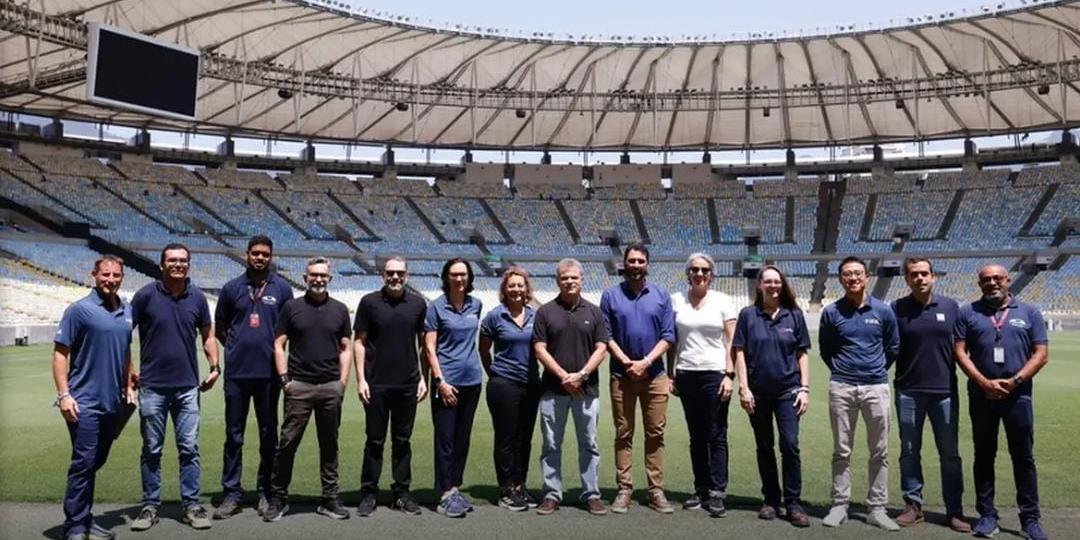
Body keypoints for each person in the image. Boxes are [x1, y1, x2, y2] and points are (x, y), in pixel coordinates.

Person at [954, 264, 1049, 540]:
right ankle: (986, 515)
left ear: (1008, 280)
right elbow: (960, 352)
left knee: (1024, 457)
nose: (992, 282)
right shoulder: (967, 312)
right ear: (979, 283)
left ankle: (1030, 519)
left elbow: (1041, 353)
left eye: (997, 278)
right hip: (981, 396)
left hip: (1018, 396)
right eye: (986, 279)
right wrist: (984, 382)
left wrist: (1015, 381)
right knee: (983, 456)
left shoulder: (1030, 312)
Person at [129, 243, 218, 532]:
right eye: (172, 260)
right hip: (152, 387)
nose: (177, 265)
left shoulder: (198, 299)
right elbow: (122, 336)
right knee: (152, 449)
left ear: (188, 265)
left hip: (187, 388)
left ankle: (191, 505)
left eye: (182, 261)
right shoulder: (144, 296)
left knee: (189, 449)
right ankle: (150, 506)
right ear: (161, 265)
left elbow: (207, 335)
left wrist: (215, 366)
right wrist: (130, 372)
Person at [263, 257, 352, 522]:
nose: (318, 279)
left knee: (330, 445)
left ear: (330, 279)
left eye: (323, 275)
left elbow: (346, 348)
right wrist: (284, 379)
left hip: (330, 387)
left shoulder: (340, 309)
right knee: (287, 444)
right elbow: (278, 344)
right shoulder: (292, 307)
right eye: (313, 275)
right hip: (299, 386)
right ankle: (278, 498)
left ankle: (330, 499)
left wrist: (342, 383)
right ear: (305, 278)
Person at [53, 255, 134, 540]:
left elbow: (125, 350)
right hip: (83, 402)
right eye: (105, 275)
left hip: (114, 402)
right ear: (94, 275)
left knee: (95, 461)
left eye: (116, 275)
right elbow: (60, 354)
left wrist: (129, 382)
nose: (110, 280)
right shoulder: (79, 310)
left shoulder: (127, 309)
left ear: (122, 277)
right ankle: (74, 526)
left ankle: (85, 519)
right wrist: (64, 395)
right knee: (84, 462)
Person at [212, 235, 294, 519]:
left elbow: (286, 330)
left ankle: (266, 491)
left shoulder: (282, 289)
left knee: (268, 434)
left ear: (270, 257)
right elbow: (220, 327)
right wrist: (236, 348)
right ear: (247, 254)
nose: (260, 258)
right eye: (255, 253)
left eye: (265, 254)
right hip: (237, 374)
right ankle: (232, 494)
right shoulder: (231, 288)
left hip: (269, 375)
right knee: (233, 435)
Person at [819, 256, 900, 531]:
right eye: (847, 275)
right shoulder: (831, 312)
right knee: (842, 450)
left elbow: (893, 347)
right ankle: (840, 504)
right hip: (841, 387)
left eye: (857, 273)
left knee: (880, 450)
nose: (852, 278)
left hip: (876, 386)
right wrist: (846, 371)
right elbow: (825, 350)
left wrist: (874, 371)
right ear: (840, 279)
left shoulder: (883, 311)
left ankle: (877, 508)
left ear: (866, 277)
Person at [890, 258, 969, 532]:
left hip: (944, 392)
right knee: (909, 450)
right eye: (914, 275)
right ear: (907, 279)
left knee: (950, 453)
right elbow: (890, 347)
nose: (920, 278)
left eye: (924, 273)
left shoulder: (950, 307)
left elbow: (962, 347)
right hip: (908, 391)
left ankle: (954, 510)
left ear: (933, 276)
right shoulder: (897, 308)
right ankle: (914, 505)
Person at [732, 265, 811, 528]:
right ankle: (770, 500)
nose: (773, 285)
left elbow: (802, 354)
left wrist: (805, 388)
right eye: (768, 281)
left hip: (788, 392)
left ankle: (793, 503)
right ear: (760, 286)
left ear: (782, 284)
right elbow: (740, 352)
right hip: (758, 394)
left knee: (790, 445)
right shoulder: (747, 315)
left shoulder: (794, 315)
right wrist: (743, 387)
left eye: (777, 281)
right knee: (764, 447)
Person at [601, 243, 676, 514]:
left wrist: (645, 362)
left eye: (640, 261)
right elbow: (606, 336)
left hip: (654, 375)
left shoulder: (661, 295)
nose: (635, 265)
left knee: (655, 433)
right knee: (624, 433)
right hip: (622, 375)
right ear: (624, 264)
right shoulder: (610, 296)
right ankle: (624, 489)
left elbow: (669, 336)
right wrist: (626, 362)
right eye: (631, 261)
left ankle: (655, 490)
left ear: (647, 264)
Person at [533, 258, 610, 517]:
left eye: (574, 277)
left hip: (587, 391)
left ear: (582, 280)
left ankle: (591, 494)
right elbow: (539, 348)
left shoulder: (594, 312)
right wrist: (564, 375)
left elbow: (602, 348)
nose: (569, 282)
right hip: (553, 390)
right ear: (557, 281)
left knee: (589, 443)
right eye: (564, 278)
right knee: (551, 444)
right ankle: (552, 494)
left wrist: (582, 374)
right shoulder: (545, 312)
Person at [353, 256, 428, 517]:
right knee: (374, 440)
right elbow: (359, 342)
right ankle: (369, 493)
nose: (395, 277)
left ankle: (402, 493)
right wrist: (361, 379)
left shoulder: (418, 304)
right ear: (382, 275)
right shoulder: (369, 302)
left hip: (407, 384)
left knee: (402, 441)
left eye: (400, 273)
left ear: (407, 275)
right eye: (390, 273)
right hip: (376, 385)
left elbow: (424, 346)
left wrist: (422, 378)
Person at [666, 253, 737, 517]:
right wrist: (670, 373)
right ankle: (701, 488)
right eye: (694, 269)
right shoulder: (676, 300)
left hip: (714, 374)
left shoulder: (723, 301)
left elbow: (732, 340)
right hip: (686, 374)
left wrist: (729, 375)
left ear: (712, 273)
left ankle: (718, 492)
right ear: (688, 273)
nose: (699, 274)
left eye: (704, 270)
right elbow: (671, 341)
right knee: (696, 436)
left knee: (716, 434)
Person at [424, 258, 484, 518]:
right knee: (445, 439)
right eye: (454, 274)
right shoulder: (436, 307)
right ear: (446, 277)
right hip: (447, 382)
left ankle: (455, 488)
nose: (459, 279)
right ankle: (444, 493)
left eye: (463, 274)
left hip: (472, 381)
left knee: (462, 439)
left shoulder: (476, 304)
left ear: (469, 278)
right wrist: (440, 381)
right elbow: (429, 348)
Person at [480, 267, 540, 511]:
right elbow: (484, 349)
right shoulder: (495, 316)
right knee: (506, 438)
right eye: (512, 285)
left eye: (520, 285)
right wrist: (493, 372)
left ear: (527, 289)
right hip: (503, 385)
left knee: (524, 439)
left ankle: (519, 485)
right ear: (505, 289)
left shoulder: (536, 316)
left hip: (531, 384)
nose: (516, 289)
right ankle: (505, 488)